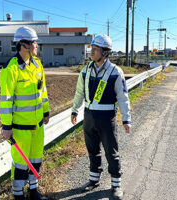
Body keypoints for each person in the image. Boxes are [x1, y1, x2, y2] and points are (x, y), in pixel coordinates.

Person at [71, 34, 131, 199]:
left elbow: (123, 97)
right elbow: (79, 92)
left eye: (96, 49)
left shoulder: (115, 72)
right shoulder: (86, 70)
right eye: (92, 48)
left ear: (105, 53)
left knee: (111, 151)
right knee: (92, 150)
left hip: (107, 117)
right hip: (89, 116)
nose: (92, 51)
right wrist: (74, 110)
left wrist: (126, 118)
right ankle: (94, 179)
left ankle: (116, 184)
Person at [0, 26, 49, 200]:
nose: (37, 46)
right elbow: (5, 101)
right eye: (34, 43)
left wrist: (46, 112)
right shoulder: (10, 69)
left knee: (36, 159)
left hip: (37, 125)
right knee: (21, 164)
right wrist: (6, 127)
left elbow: (42, 91)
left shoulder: (37, 65)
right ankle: (18, 195)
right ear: (23, 45)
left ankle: (33, 191)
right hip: (20, 128)